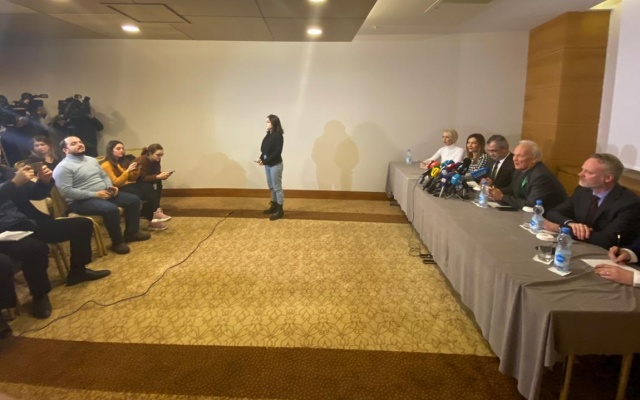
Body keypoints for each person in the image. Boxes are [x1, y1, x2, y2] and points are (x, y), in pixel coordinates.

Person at [0, 161, 110, 318]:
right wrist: (13, 184)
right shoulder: (13, 179)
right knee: (36, 248)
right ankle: (40, 296)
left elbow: (36, 194)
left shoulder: (9, 172)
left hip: (30, 222)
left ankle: (78, 271)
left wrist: (44, 182)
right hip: (5, 232)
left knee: (83, 225)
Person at [53, 136, 150, 255]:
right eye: (73, 143)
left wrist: (110, 186)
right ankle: (117, 242)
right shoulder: (62, 168)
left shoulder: (91, 160)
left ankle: (132, 233)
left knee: (134, 200)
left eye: (80, 142)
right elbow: (66, 192)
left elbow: (103, 176)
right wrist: (95, 194)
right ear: (65, 150)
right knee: (111, 209)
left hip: (103, 193)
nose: (79, 144)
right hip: (81, 201)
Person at [544, 153, 640, 249]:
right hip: (577, 246)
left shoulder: (629, 203)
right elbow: (553, 213)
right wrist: (570, 223)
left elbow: (606, 240)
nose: (580, 174)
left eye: (589, 172)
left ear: (608, 178)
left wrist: (561, 229)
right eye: (582, 170)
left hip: (605, 253)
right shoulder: (583, 191)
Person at [101, 141, 169, 231]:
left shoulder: (121, 162)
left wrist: (137, 170)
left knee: (148, 188)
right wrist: (127, 171)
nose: (122, 150)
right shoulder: (106, 165)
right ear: (110, 150)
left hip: (127, 185)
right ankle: (155, 214)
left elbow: (131, 179)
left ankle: (154, 216)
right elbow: (116, 183)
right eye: (118, 148)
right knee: (147, 190)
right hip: (116, 189)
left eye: (122, 148)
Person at [488, 140, 567, 211]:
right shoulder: (520, 170)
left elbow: (530, 205)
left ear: (533, 159)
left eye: (520, 156)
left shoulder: (541, 176)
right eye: (515, 155)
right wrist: (494, 191)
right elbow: (513, 189)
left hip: (547, 217)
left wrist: (502, 197)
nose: (514, 159)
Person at [256, 114, 285, 221]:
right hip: (268, 164)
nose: (266, 124)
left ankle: (280, 209)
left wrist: (265, 161)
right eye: (266, 121)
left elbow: (277, 152)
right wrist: (261, 158)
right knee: (271, 186)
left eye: (268, 122)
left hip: (275, 165)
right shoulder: (269, 135)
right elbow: (265, 150)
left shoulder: (278, 136)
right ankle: (273, 205)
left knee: (277, 187)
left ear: (274, 123)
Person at [135, 144, 172, 222]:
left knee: (158, 183)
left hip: (147, 181)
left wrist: (162, 175)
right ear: (150, 153)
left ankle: (156, 210)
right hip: (136, 183)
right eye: (158, 155)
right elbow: (142, 178)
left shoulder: (156, 160)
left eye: (161, 155)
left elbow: (155, 172)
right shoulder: (141, 161)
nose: (160, 157)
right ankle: (155, 211)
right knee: (149, 186)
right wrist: (157, 176)